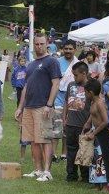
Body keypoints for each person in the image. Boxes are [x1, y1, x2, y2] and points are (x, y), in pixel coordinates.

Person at [15, 33, 61, 182]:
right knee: (33, 140)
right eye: (37, 44)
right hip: (29, 106)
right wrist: (20, 108)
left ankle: (47, 172)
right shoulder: (31, 64)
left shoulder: (52, 61)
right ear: (33, 45)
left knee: (45, 139)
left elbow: (56, 83)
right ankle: (38, 169)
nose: (39, 46)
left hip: (43, 106)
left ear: (46, 44)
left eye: (42, 44)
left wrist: (49, 105)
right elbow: (26, 87)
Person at [83, 79, 109, 193]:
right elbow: (93, 115)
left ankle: (105, 184)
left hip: (103, 134)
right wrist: (87, 124)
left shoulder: (100, 103)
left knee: (103, 159)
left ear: (90, 92)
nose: (84, 94)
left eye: (85, 92)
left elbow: (106, 121)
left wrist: (94, 133)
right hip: (95, 132)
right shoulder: (93, 102)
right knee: (95, 158)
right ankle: (96, 183)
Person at [63, 61, 90, 182]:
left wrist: (89, 122)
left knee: (83, 150)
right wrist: (64, 118)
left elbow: (94, 106)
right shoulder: (71, 85)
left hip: (83, 125)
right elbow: (66, 102)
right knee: (71, 150)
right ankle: (71, 174)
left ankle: (85, 176)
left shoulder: (91, 86)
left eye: (76, 75)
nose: (74, 77)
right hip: (70, 124)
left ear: (84, 73)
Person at [52, 40, 78, 163]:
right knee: (57, 126)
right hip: (58, 98)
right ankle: (52, 154)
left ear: (75, 50)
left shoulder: (78, 64)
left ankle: (64, 154)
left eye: (70, 49)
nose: (68, 51)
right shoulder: (57, 62)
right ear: (63, 49)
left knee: (67, 128)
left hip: (72, 99)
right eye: (66, 49)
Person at [11, 56, 29, 160]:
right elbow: (13, 77)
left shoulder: (27, 70)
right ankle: (19, 120)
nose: (22, 62)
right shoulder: (16, 70)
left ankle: (23, 119)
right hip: (18, 88)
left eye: (24, 61)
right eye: (21, 61)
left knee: (24, 105)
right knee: (19, 105)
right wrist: (14, 84)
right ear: (18, 62)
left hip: (24, 88)